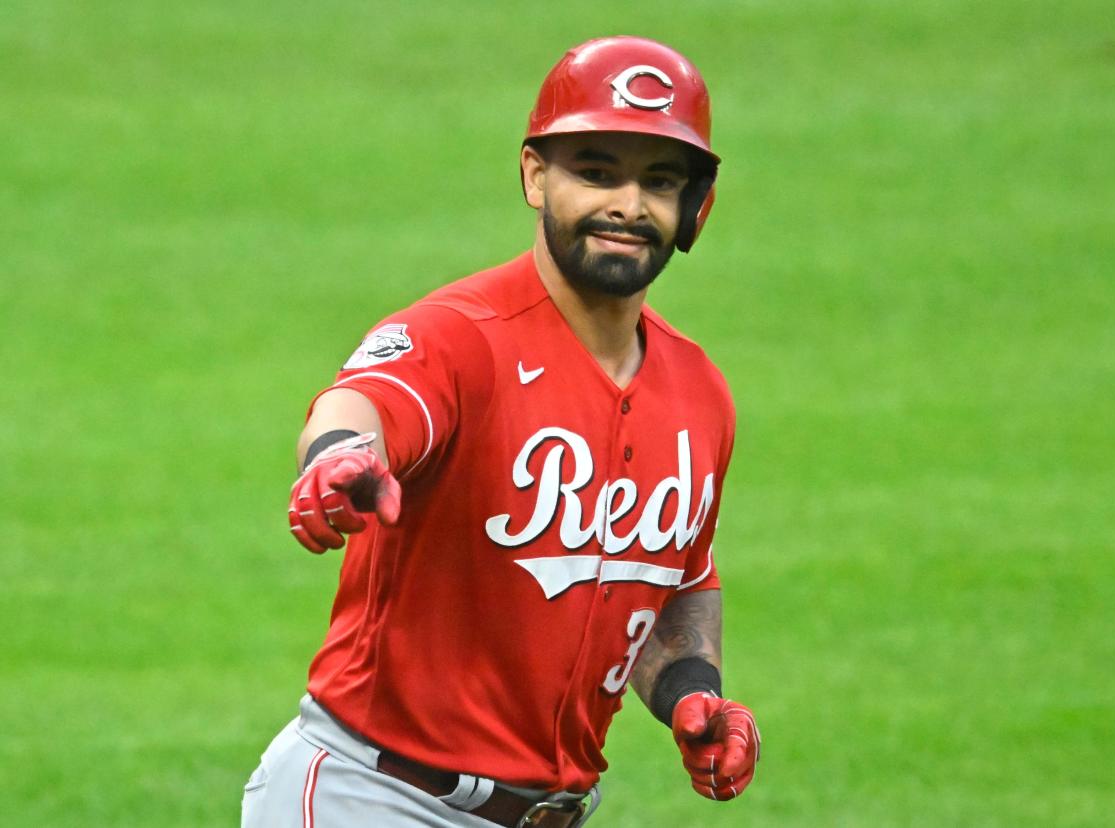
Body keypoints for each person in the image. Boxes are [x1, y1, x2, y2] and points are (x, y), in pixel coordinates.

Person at [241, 36, 760, 828]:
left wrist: (695, 695)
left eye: (659, 181)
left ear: (696, 207)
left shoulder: (700, 394)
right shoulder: (461, 336)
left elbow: (676, 581)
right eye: (596, 171)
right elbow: (363, 405)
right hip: (374, 799)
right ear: (534, 175)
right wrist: (341, 460)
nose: (627, 204)